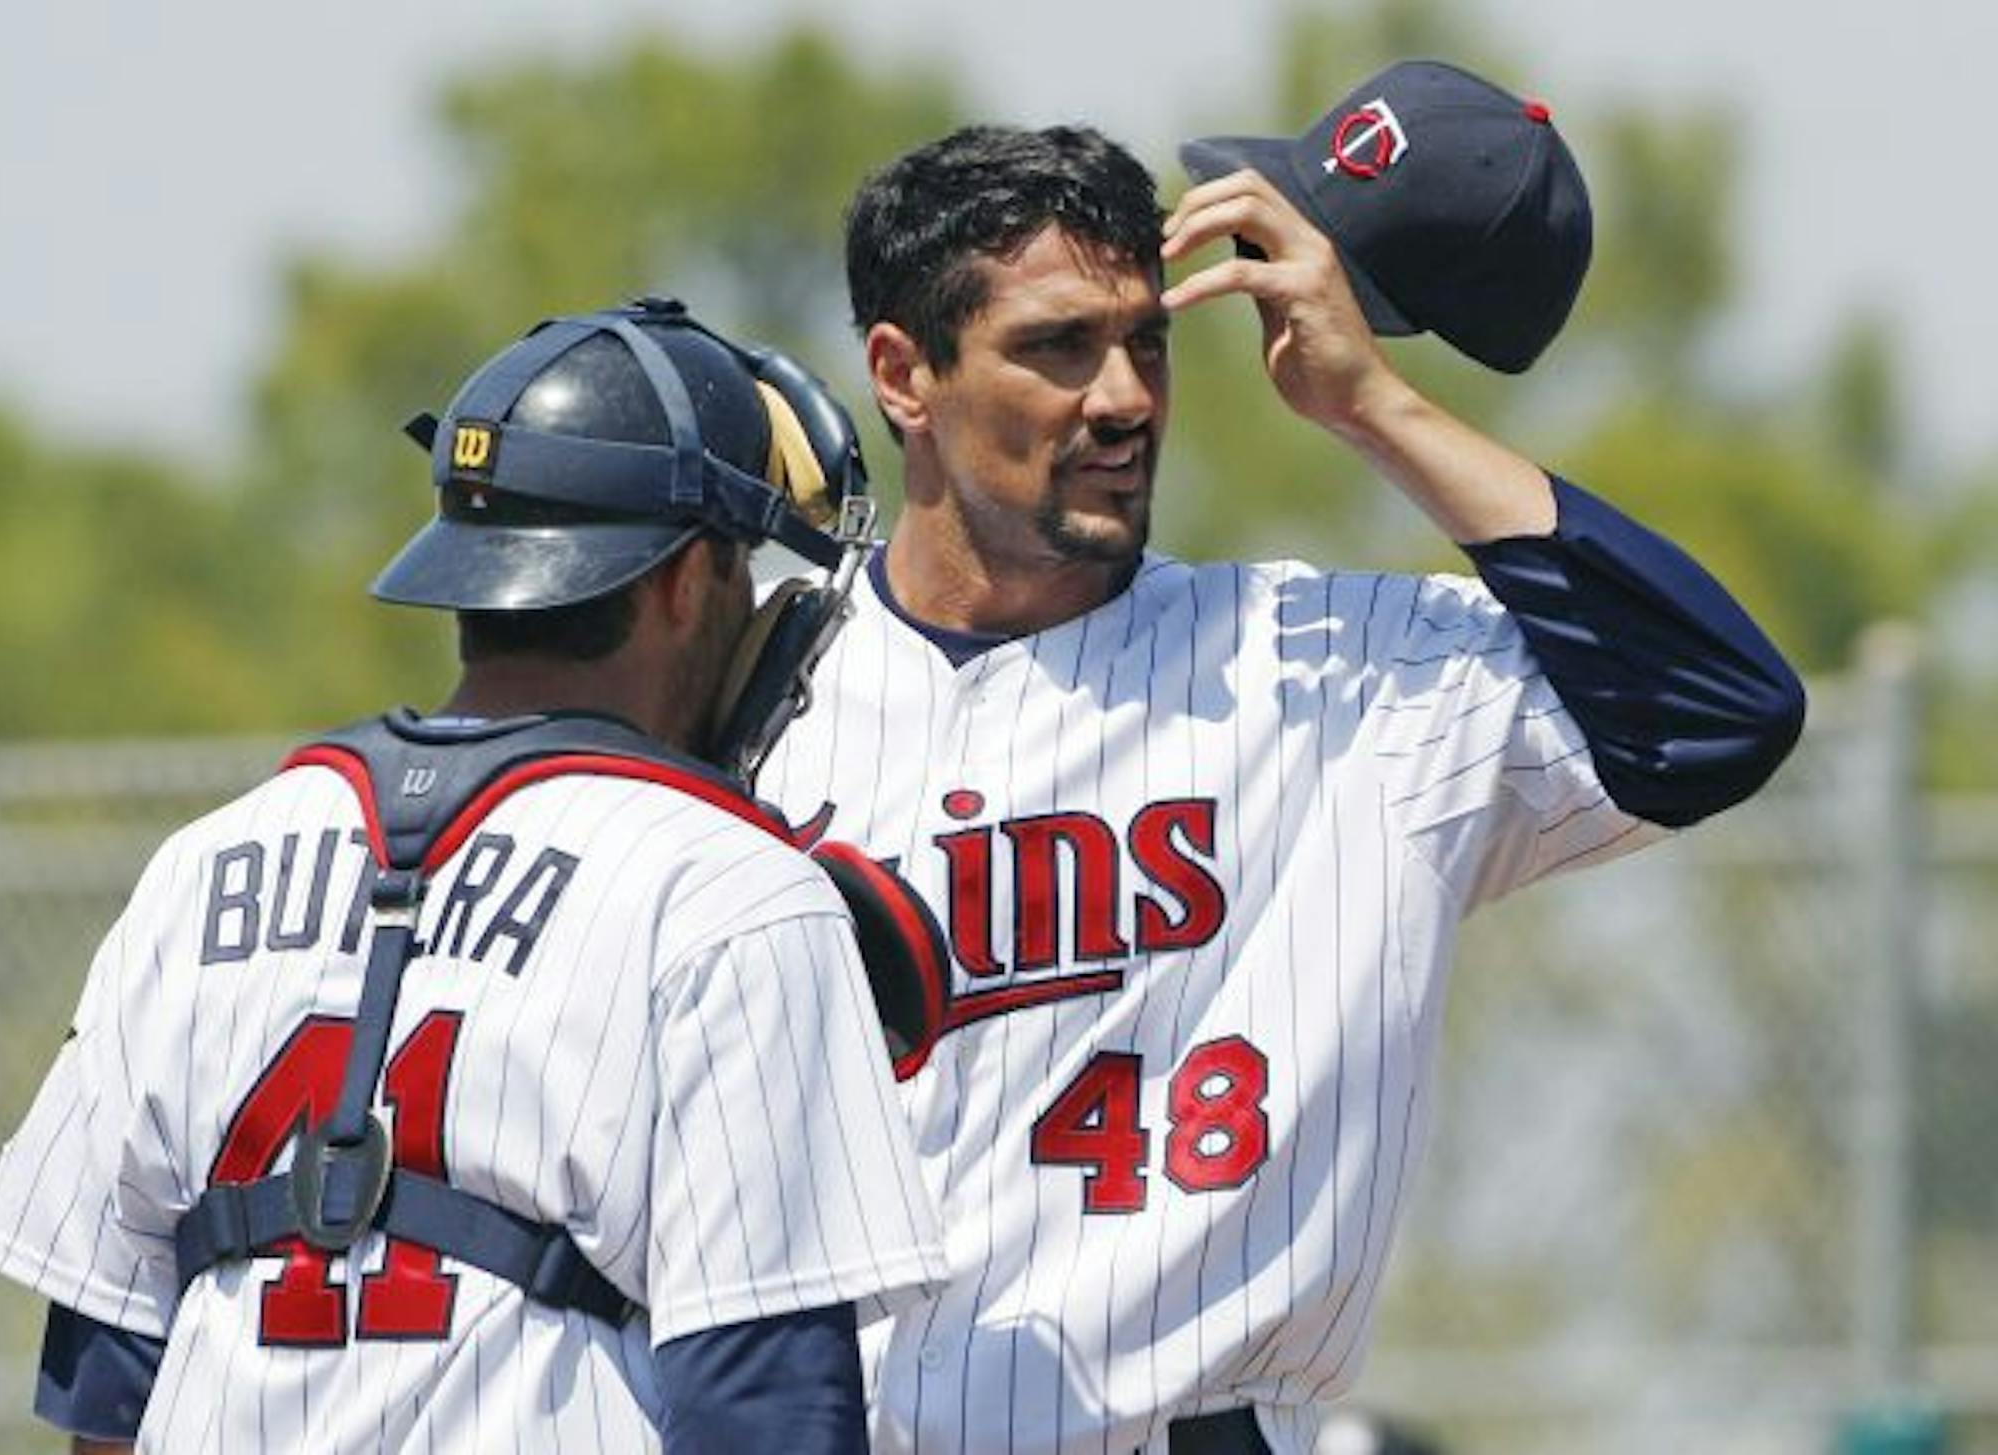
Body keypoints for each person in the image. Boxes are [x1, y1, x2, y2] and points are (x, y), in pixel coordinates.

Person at [755, 76, 1804, 1455]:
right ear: (904, 375)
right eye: (1059, 347)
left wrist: (1372, 404)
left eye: (1147, 343)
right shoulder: (761, 688)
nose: (1125, 396)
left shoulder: (1329, 664)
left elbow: (1716, 707)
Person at [0, 300, 947, 1454]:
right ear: (688, 583)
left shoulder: (200, 866)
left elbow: (108, 1393)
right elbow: (769, 1412)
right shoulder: (728, 892)